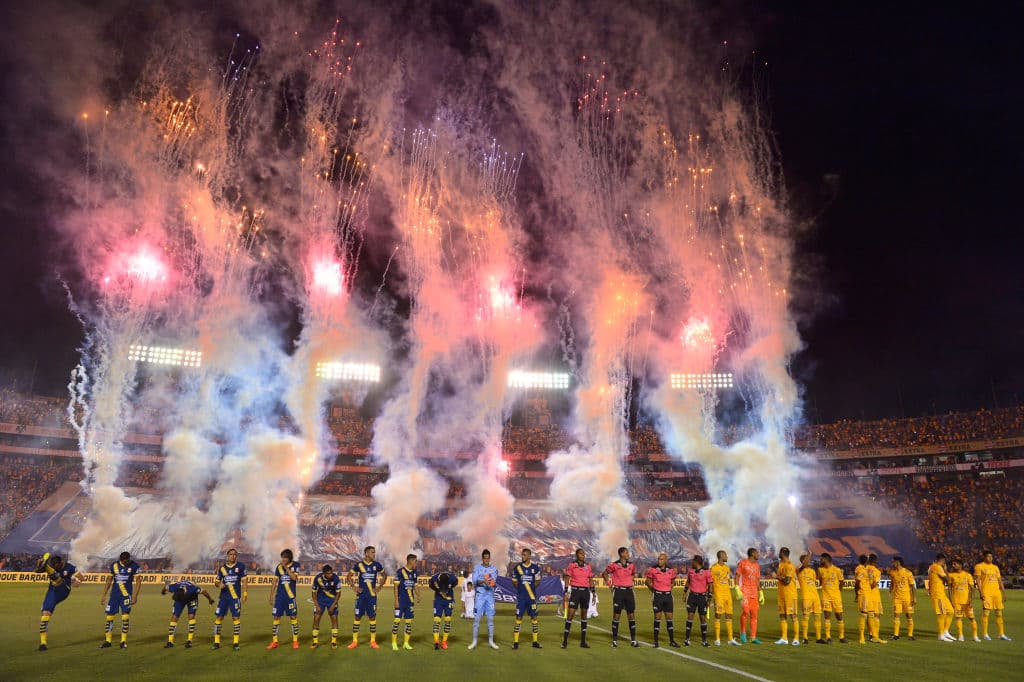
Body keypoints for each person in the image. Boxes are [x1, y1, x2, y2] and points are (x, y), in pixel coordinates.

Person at [34, 552, 82, 651]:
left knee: (58, 580)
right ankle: (43, 643)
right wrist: (38, 565)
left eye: (57, 566)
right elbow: (37, 571)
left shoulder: (70, 567)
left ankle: (45, 563)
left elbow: (82, 577)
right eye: (53, 566)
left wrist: (77, 581)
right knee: (45, 614)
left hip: (64, 589)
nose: (56, 567)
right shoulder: (54, 567)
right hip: (52, 592)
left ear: (61, 563)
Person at [100, 551, 141, 649]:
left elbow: (138, 581)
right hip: (114, 596)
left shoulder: (134, 566)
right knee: (109, 617)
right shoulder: (114, 565)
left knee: (125, 617)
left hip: (126, 596)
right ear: (121, 560)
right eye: (125, 562)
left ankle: (123, 641)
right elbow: (109, 580)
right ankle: (108, 641)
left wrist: (135, 596)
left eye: (128, 561)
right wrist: (104, 594)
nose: (127, 563)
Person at [348, 546, 386, 649]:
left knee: (372, 617)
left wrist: (379, 586)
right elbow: (349, 576)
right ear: (366, 553)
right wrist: (354, 586)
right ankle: (354, 641)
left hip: (372, 596)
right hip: (361, 596)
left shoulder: (376, 565)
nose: (374, 554)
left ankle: (373, 641)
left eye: (374, 552)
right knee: (357, 617)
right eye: (372, 552)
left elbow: (384, 575)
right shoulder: (359, 565)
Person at [603, 546, 639, 648]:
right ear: (622, 554)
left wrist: (629, 581)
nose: (628, 554)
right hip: (618, 592)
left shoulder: (631, 565)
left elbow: (633, 574)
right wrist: (610, 586)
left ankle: (633, 641)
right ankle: (614, 641)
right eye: (627, 553)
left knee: (631, 615)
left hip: (629, 592)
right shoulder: (614, 565)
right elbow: (604, 574)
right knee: (616, 615)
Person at [161, 579, 214, 647]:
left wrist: (210, 599)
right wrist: (163, 592)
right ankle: (170, 641)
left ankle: (189, 641)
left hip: (192, 599)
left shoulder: (192, 588)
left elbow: (204, 591)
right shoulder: (175, 587)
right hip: (180, 600)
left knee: (191, 616)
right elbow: (166, 587)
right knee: (174, 617)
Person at [212, 547, 248, 650]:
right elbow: (216, 582)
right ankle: (216, 642)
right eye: (231, 554)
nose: (233, 556)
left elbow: (245, 581)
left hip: (235, 597)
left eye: (235, 554)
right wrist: (219, 585)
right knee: (219, 618)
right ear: (227, 556)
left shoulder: (241, 566)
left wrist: (245, 593)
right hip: (223, 597)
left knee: (235, 618)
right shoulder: (222, 568)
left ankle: (236, 642)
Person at [267, 548, 301, 650]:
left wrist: (286, 567)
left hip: (290, 597)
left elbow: (294, 578)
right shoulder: (278, 567)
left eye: (285, 557)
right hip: (280, 597)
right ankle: (275, 641)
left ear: (289, 558)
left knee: (293, 617)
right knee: (276, 617)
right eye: (282, 557)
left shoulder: (296, 565)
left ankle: (295, 641)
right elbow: (275, 581)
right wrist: (271, 595)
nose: (283, 559)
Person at [644, 551, 679, 648]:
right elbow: (647, 581)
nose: (659, 561)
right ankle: (655, 642)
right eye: (658, 559)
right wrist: (654, 590)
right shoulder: (652, 569)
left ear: (665, 560)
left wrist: (668, 588)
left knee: (669, 620)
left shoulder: (670, 570)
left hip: (668, 596)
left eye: (661, 559)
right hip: (658, 596)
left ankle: (672, 641)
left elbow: (673, 582)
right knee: (657, 619)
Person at [974, 550, 1011, 640]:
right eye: (988, 556)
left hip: (996, 593)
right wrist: (981, 592)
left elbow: (999, 580)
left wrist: (1004, 592)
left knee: (999, 613)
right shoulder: (979, 566)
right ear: (984, 557)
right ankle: (985, 634)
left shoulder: (995, 567)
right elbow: (978, 580)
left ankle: (1001, 634)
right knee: (986, 613)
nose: (990, 558)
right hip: (986, 592)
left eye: (991, 556)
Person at [562, 548, 594, 648]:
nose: (583, 555)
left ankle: (583, 642)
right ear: (577, 555)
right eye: (581, 554)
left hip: (585, 592)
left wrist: (593, 592)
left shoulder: (588, 566)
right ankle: (565, 641)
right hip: (575, 591)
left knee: (584, 616)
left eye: (584, 554)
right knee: (570, 615)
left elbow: (591, 579)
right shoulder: (572, 565)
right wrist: (566, 590)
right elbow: (567, 577)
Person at [468, 549, 500, 650]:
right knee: (477, 619)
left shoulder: (494, 569)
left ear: (489, 558)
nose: (486, 560)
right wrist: (483, 581)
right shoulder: (477, 568)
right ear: (482, 558)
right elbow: (474, 581)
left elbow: (493, 581)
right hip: (480, 596)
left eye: (488, 558)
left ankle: (491, 641)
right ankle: (474, 641)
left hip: (490, 596)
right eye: (485, 558)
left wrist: (488, 581)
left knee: (490, 620)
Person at [511, 548, 542, 649]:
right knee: (518, 618)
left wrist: (531, 588)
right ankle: (515, 642)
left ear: (529, 556)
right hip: (521, 598)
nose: (522, 556)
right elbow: (514, 581)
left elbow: (538, 580)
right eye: (522, 555)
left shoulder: (535, 568)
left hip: (532, 598)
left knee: (534, 618)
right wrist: (521, 589)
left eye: (524, 555)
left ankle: (535, 642)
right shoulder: (517, 568)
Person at [711, 550, 739, 646]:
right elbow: (710, 583)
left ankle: (730, 639)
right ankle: (717, 639)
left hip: (728, 595)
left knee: (729, 615)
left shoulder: (727, 568)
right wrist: (710, 595)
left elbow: (726, 581)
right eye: (726, 555)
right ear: (721, 556)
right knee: (718, 615)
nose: (727, 556)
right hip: (719, 594)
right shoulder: (714, 568)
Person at [682, 555, 712, 647]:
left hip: (702, 598)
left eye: (693, 561)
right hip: (692, 597)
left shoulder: (706, 572)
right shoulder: (691, 571)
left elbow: (710, 585)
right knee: (690, 617)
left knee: (702, 618)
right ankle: (687, 639)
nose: (691, 563)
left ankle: (704, 641)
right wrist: (685, 592)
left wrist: (709, 597)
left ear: (696, 562)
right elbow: (688, 581)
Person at [736, 548, 764, 644]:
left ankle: (753, 637)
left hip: (754, 593)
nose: (758, 554)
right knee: (745, 611)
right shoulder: (743, 563)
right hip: (745, 591)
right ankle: (743, 634)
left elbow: (757, 579)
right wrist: (737, 588)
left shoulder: (757, 565)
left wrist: (760, 592)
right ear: (752, 554)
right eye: (757, 553)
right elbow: (737, 575)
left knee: (754, 615)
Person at [310, 564, 342, 649]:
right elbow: (313, 592)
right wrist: (317, 605)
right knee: (316, 618)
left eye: (331, 572)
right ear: (324, 573)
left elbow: (338, 593)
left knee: (334, 619)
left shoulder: (336, 578)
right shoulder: (318, 578)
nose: (330, 574)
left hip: (332, 600)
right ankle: (315, 642)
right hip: (320, 600)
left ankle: (334, 642)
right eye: (328, 573)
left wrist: (333, 605)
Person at [392, 554, 419, 651]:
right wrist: (396, 600)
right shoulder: (400, 572)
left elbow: (415, 585)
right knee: (397, 621)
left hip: (410, 602)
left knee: (408, 623)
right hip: (401, 601)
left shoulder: (415, 573)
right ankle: (394, 643)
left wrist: (418, 595)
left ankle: (406, 643)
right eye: (415, 561)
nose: (416, 563)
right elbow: (395, 587)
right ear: (410, 561)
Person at [927, 553, 956, 642]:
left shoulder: (931, 567)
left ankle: (945, 631)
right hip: (937, 593)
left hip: (941, 593)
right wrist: (946, 570)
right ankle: (940, 634)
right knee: (942, 613)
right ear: (942, 560)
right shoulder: (937, 567)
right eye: (944, 561)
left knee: (951, 611)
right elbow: (948, 579)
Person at [949, 558, 979, 642]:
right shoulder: (951, 575)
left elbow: (972, 589)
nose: (953, 565)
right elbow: (949, 589)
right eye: (953, 564)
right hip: (956, 601)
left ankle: (975, 636)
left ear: (960, 565)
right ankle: (960, 635)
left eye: (955, 564)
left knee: (972, 618)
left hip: (967, 601)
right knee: (958, 618)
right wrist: (951, 600)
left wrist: (971, 600)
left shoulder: (967, 575)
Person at [797, 553, 824, 644]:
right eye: (806, 559)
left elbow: (813, 582)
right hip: (806, 597)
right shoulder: (798, 570)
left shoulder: (812, 571)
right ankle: (805, 638)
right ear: (803, 561)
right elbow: (804, 565)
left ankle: (819, 638)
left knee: (817, 617)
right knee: (806, 617)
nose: (809, 561)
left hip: (815, 596)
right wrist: (809, 554)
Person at [774, 547, 798, 646]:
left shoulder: (790, 566)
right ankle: (784, 638)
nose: (778, 554)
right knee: (782, 615)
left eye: (780, 552)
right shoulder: (781, 565)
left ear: (783, 553)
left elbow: (787, 581)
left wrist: (777, 577)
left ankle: (796, 639)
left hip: (790, 595)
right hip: (781, 594)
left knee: (793, 616)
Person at [888, 556, 916, 641]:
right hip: (897, 598)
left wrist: (914, 598)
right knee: (896, 615)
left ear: (898, 562)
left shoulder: (908, 572)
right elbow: (892, 583)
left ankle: (910, 635)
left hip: (907, 598)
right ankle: (896, 635)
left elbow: (912, 586)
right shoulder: (892, 572)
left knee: (909, 615)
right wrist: (890, 592)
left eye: (893, 562)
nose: (892, 564)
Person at [429, 570, 456, 650]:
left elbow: (455, 583)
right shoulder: (434, 578)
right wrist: (437, 590)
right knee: (436, 620)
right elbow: (430, 585)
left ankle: (444, 642)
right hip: (438, 600)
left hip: (449, 599)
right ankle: (436, 641)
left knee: (448, 620)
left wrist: (449, 588)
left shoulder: (452, 578)